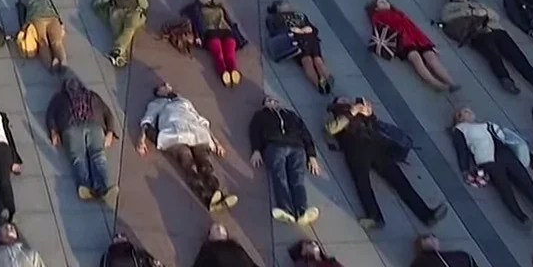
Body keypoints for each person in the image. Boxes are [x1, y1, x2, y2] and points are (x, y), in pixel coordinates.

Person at [325, 97, 449, 229]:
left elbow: (376, 127)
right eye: (343, 100)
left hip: (375, 146)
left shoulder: (360, 115)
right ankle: (374, 216)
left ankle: (427, 215)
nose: (348, 101)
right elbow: (332, 129)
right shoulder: (337, 115)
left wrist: (369, 115)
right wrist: (352, 112)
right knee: (363, 184)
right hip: (355, 149)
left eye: (348, 100)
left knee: (400, 181)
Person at [449, 107, 533, 229]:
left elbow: (510, 141)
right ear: (459, 118)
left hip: (506, 154)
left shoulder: (489, 124)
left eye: (469, 110)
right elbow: (462, 150)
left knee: (528, 185)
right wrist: (464, 169)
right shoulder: (460, 129)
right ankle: (521, 217)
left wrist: (531, 156)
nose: (468, 113)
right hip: (488, 159)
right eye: (463, 112)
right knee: (505, 188)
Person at [440, 0, 533, 94]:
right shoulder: (451, 6)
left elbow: (496, 16)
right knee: (493, 56)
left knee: (517, 56)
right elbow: (446, 17)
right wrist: (471, 12)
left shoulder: (478, 4)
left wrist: (485, 12)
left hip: (496, 30)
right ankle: (505, 79)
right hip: (477, 34)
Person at [140, 85, 237, 210]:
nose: (168, 86)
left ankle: (217, 193)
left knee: (205, 164)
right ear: (159, 92)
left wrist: (216, 142)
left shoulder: (184, 101)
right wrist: (141, 139)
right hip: (175, 135)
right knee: (189, 165)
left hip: (197, 133)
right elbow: (147, 121)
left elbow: (201, 120)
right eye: (164, 86)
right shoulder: (157, 104)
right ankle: (206, 198)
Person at [250, 95, 323, 224]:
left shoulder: (291, 115)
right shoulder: (260, 116)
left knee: (297, 178)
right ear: (265, 105)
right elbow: (254, 132)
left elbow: (305, 133)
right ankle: (286, 209)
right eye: (269, 101)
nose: (272, 103)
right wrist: (256, 150)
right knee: (279, 176)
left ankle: (302, 211)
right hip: (274, 145)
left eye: (275, 101)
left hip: (296, 147)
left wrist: (311, 155)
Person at [46, 75, 119, 203]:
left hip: (74, 127)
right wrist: (110, 132)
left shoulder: (59, 98)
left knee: (79, 157)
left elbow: (50, 115)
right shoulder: (92, 95)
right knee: (97, 156)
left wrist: (53, 132)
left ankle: (87, 186)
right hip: (90, 125)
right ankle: (99, 187)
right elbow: (108, 112)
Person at [266, 1, 334, 92]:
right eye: (284, 5)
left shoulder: (299, 14)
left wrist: (310, 29)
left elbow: (311, 26)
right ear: (277, 8)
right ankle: (319, 84)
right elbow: (274, 32)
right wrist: (292, 30)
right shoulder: (273, 18)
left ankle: (326, 78)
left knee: (318, 60)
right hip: (296, 40)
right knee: (307, 61)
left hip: (309, 38)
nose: (288, 6)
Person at [183, 0, 246, 86]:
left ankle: (228, 72)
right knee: (224, 55)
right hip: (219, 32)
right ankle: (228, 71)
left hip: (219, 33)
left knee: (224, 55)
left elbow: (229, 22)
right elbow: (196, 23)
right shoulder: (208, 9)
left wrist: (238, 36)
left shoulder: (211, 8)